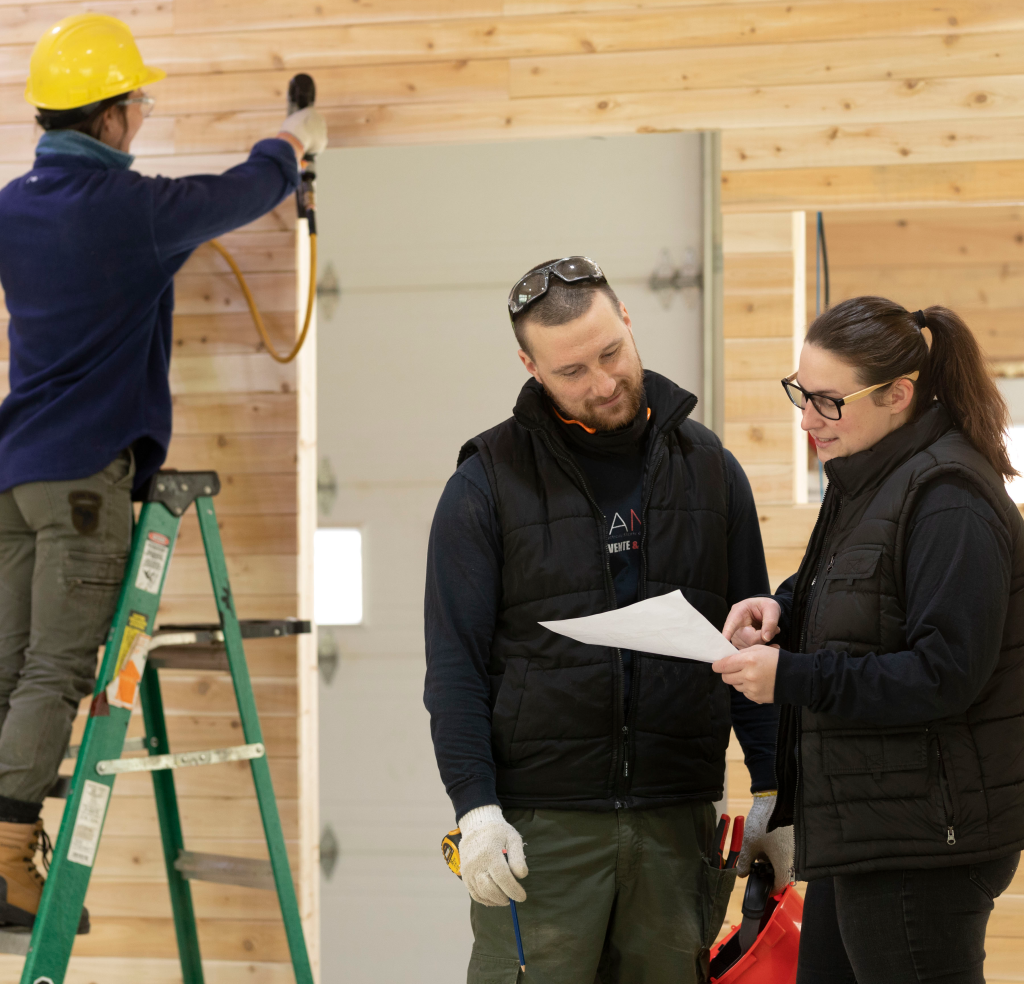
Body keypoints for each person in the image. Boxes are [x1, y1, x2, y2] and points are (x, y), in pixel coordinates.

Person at [0, 13, 327, 930]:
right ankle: (4, 864)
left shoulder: (11, 208)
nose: (140, 118)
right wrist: (294, 138)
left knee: (4, 670)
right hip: (83, 486)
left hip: (13, 476)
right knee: (55, 671)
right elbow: (247, 187)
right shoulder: (135, 214)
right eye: (136, 103)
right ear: (107, 116)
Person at [424, 256, 792, 983]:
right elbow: (455, 669)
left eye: (611, 354)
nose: (602, 383)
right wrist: (477, 811)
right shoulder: (484, 486)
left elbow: (751, 644)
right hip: (541, 835)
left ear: (627, 320)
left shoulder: (712, 471)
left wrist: (777, 791)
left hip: (677, 825)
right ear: (529, 365)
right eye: (570, 372)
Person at [714, 296, 1024, 984]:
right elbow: (851, 586)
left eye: (828, 402)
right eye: (801, 394)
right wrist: (780, 608)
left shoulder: (950, 499)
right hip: (870, 826)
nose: (806, 422)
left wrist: (788, 676)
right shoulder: (873, 477)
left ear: (899, 395)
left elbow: (945, 674)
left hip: (925, 840)